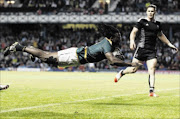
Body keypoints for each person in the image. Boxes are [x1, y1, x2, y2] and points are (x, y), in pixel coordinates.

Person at [3, 24, 142, 70]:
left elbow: (113, 61)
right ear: (112, 37)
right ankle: (19, 47)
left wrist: (120, 61)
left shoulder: (108, 44)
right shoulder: (107, 44)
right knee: (46, 57)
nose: (120, 38)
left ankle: (31, 52)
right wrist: (130, 63)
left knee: (46, 58)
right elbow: (112, 61)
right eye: (118, 35)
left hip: (76, 55)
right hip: (75, 56)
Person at [114, 4, 178, 97]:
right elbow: (133, 32)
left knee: (152, 69)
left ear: (155, 12)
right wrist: (132, 41)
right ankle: (122, 72)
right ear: (146, 12)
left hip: (151, 51)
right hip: (141, 49)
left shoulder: (157, 24)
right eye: (149, 11)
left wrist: (169, 44)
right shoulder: (142, 21)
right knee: (133, 70)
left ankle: (151, 91)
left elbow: (161, 35)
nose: (150, 13)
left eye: (152, 11)